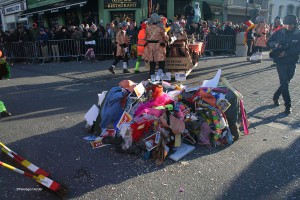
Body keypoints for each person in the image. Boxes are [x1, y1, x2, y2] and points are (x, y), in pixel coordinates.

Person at [267, 15, 300, 115]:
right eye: (286, 24)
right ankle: (288, 106)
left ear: (295, 24)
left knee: (286, 82)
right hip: (280, 62)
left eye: (291, 24)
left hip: (292, 61)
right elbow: (269, 42)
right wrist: (275, 45)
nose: (289, 26)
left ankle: (276, 96)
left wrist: (287, 53)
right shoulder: (279, 33)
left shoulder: (298, 34)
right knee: (285, 84)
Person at [143, 13, 169, 78]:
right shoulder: (160, 28)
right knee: (161, 60)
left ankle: (151, 75)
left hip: (150, 46)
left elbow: (145, 38)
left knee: (152, 61)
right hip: (159, 46)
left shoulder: (147, 28)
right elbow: (165, 37)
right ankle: (160, 75)